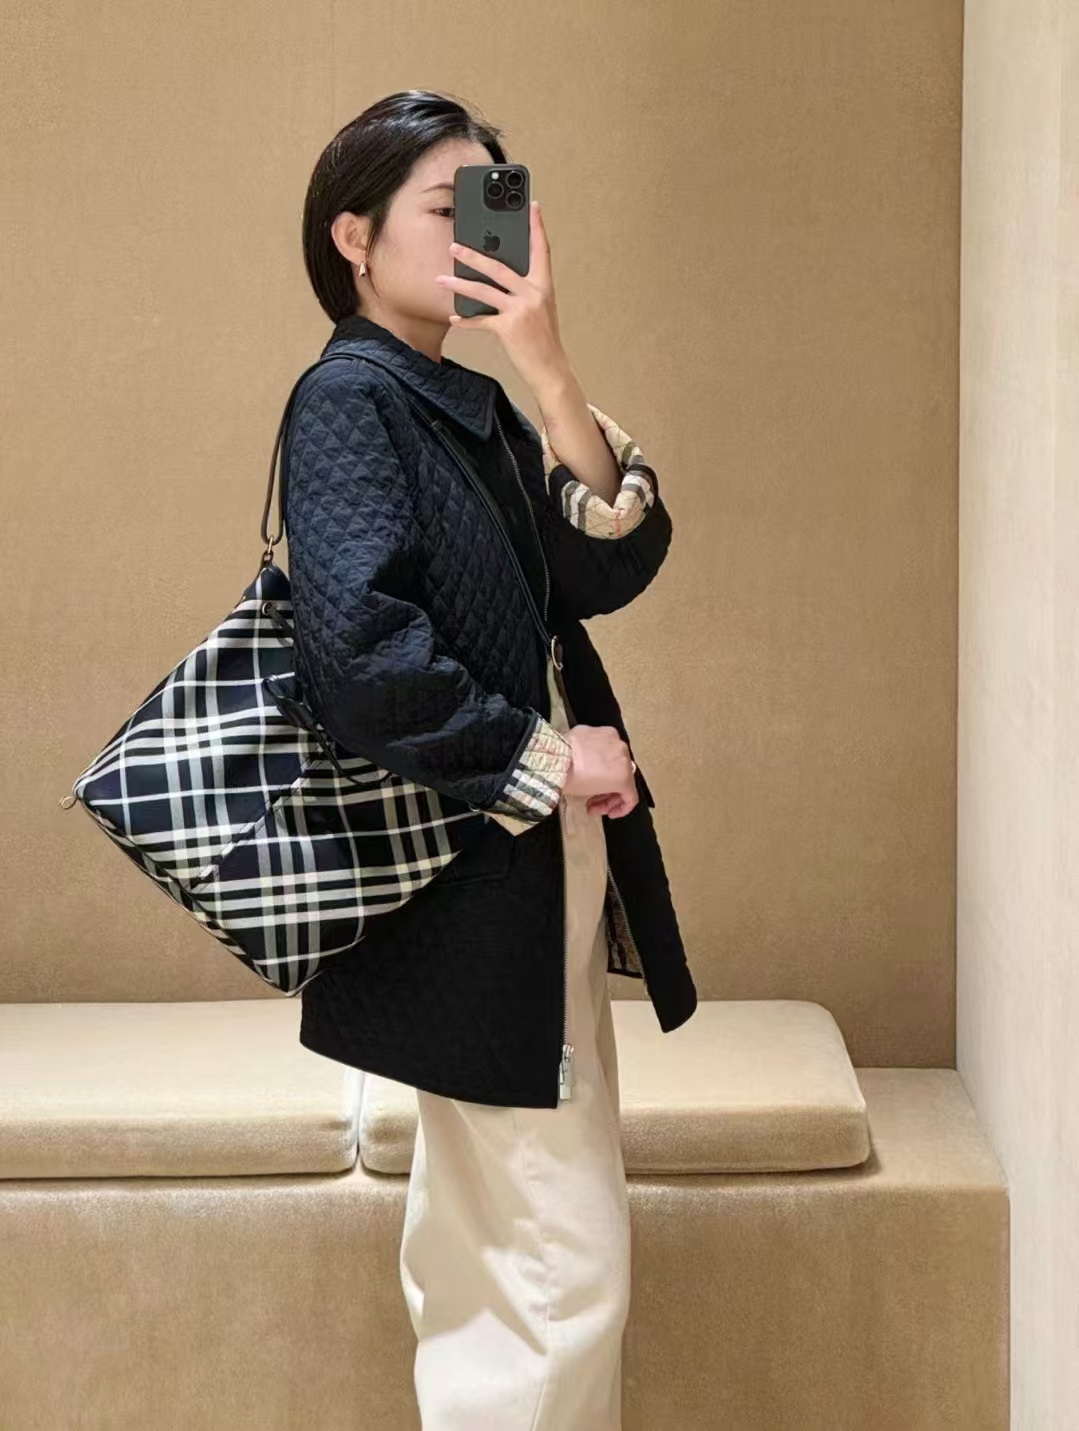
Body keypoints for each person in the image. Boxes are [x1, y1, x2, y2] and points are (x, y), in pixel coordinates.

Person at [286, 88, 697, 1429]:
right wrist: (550, 761)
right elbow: (360, 658)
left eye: (488, 204)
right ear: (354, 237)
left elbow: (606, 565)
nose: (474, 234)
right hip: (479, 880)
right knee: (556, 1269)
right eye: (440, 207)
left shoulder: (457, 400)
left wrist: (547, 361)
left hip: (516, 876)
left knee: (499, 1256)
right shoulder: (352, 400)